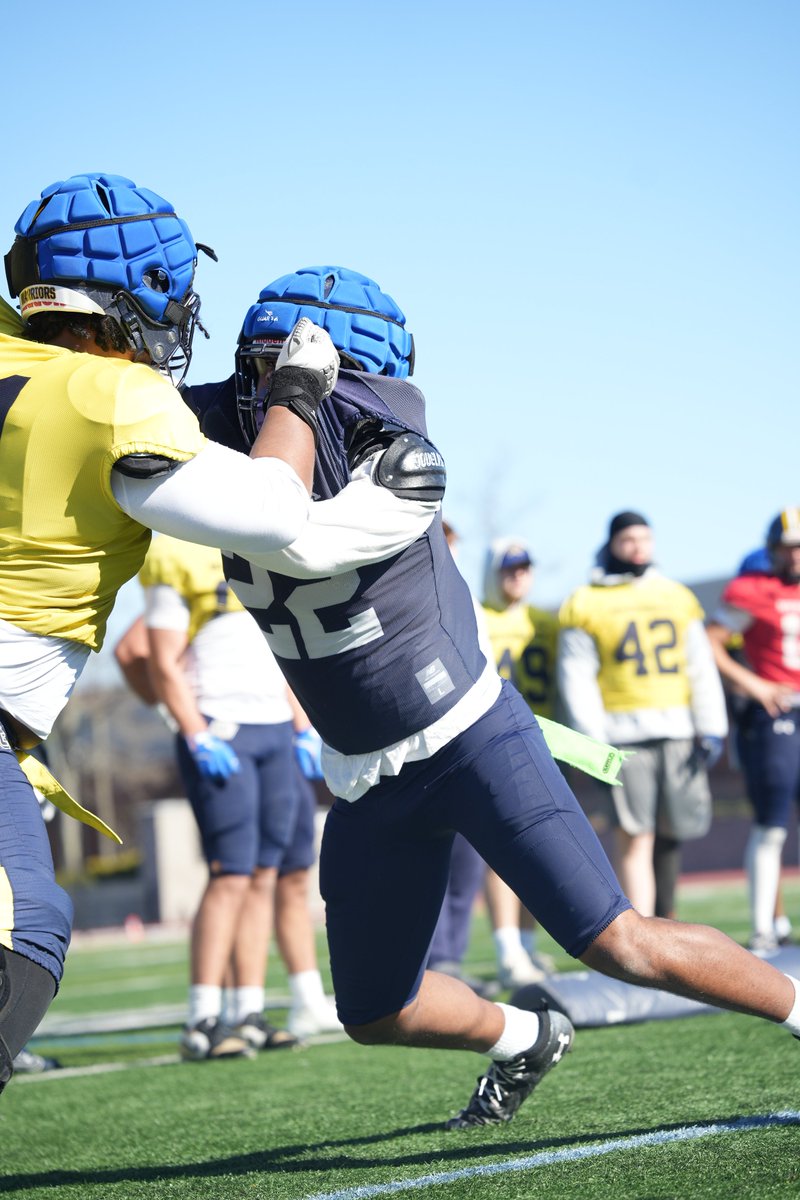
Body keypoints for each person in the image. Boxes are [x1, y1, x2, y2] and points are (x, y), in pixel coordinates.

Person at [192, 265, 800, 1130]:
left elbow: (288, 532)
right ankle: (524, 1035)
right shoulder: (225, 427)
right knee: (372, 1010)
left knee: (617, 941)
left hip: (472, 736)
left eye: (288, 377)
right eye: (256, 371)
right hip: (364, 770)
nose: (265, 395)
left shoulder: (404, 463)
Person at [0, 171, 338, 1093]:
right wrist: (299, 394)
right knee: (26, 932)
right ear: (127, 291)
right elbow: (273, 511)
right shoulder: (110, 393)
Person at [130, 535, 340, 1057]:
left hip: (273, 727)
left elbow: (282, 647)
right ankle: (202, 1018)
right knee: (231, 874)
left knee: (265, 875)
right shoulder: (176, 551)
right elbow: (158, 660)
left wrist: (301, 725)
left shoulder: (262, 545)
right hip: (222, 729)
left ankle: (247, 1010)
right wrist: (193, 731)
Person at [557, 512, 729, 919]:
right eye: (629, 539)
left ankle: (666, 920)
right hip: (622, 736)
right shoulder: (586, 601)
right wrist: (591, 739)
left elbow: (699, 664)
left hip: (678, 731)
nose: (638, 548)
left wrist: (711, 725)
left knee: (673, 833)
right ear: (612, 543)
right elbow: (576, 678)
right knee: (635, 835)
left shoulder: (676, 596)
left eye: (644, 539)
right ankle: (645, 930)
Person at [706, 509, 800, 952]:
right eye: (788, 545)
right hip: (779, 712)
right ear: (773, 548)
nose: (795, 554)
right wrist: (757, 685)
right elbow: (711, 643)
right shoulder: (753, 591)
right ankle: (764, 927)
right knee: (772, 824)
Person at [480, 539, 558, 987]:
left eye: (525, 568)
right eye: (509, 569)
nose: (518, 576)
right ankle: (508, 949)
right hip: (495, 741)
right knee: (502, 849)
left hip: (545, 739)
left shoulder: (546, 621)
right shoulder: (474, 615)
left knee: (539, 844)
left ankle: (526, 946)